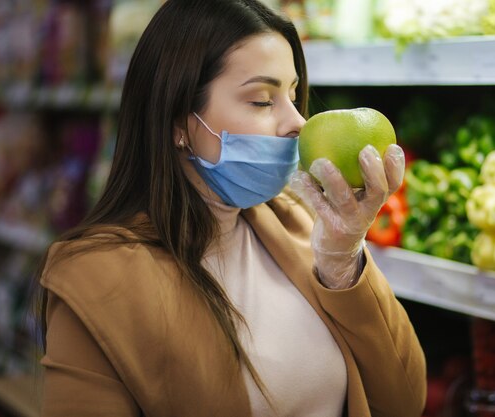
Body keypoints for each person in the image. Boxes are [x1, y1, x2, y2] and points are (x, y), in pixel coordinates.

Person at [36, 0, 427, 415]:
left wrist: (344, 264)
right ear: (178, 121)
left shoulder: (300, 223)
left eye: (293, 95)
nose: (297, 122)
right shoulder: (95, 278)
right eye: (262, 100)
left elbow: (404, 399)